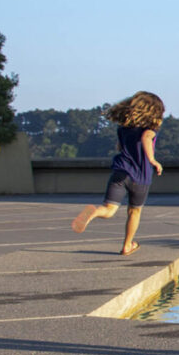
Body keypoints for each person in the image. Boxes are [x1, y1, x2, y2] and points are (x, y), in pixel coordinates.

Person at [70, 91, 166, 255]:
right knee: (134, 211)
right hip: (140, 177)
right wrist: (152, 160)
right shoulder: (149, 129)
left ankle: (93, 213)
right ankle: (127, 245)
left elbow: (120, 148)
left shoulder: (123, 129)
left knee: (108, 209)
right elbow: (146, 139)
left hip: (120, 172)